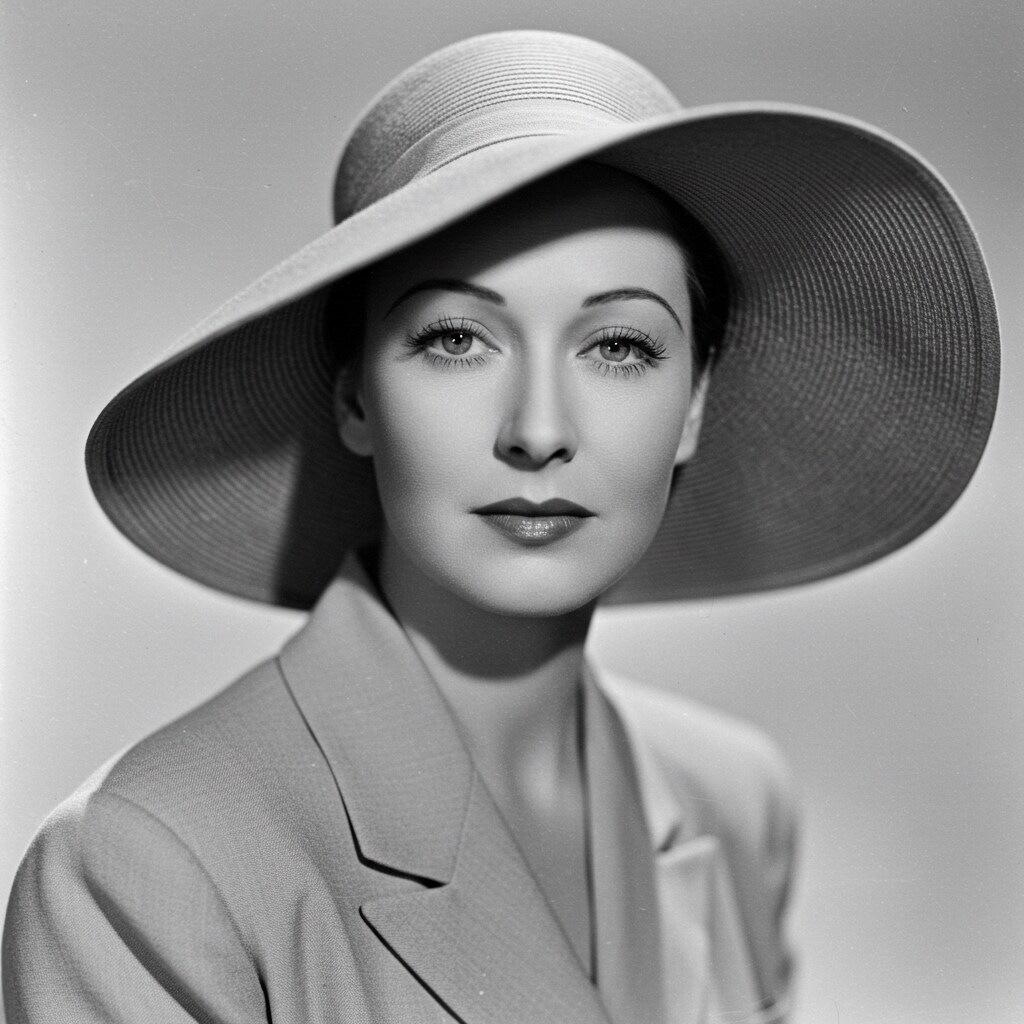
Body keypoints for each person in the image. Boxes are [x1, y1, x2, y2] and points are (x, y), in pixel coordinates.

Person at [2, 29, 999, 1024]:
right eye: (455, 339)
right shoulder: (142, 868)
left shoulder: (735, 802)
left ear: (695, 402)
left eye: (618, 346)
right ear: (353, 395)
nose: (538, 430)